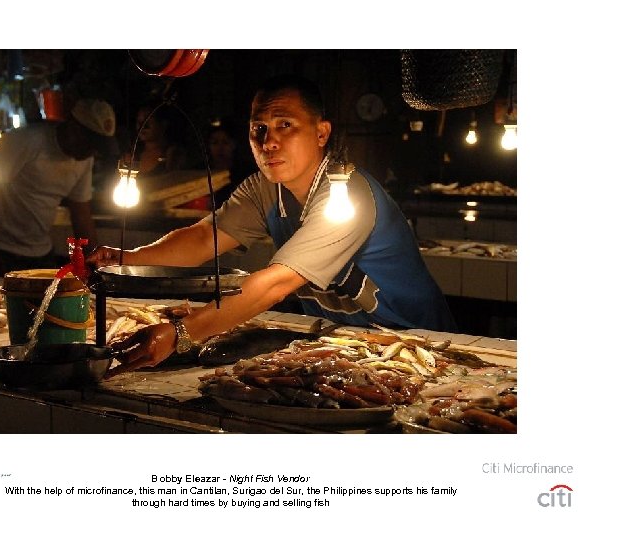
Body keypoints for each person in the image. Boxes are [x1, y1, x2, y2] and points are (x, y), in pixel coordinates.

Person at [87, 74, 456, 377]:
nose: (269, 141)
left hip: (422, 345)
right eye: (258, 128)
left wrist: (180, 334)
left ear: (321, 133)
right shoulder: (265, 189)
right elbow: (203, 238)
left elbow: (276, 284)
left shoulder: (349, 195)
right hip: (348, 343)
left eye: (285, 125)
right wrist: (129, 258)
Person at [0, 98, 115, 275]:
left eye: (97, 147)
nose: (93, 152)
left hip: (42, 252)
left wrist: (93, 262)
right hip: (0, 249)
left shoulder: (84, 159)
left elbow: (81, 212)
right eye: (90, 143)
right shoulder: (25, 141)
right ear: (73, 127)